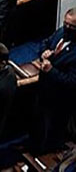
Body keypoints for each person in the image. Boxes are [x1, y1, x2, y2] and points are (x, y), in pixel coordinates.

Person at [30, 8, 76, 153]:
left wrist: (51, 70)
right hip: (44, 89)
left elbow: (72, 81)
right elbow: (46, 42)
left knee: (51, 131)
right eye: (66, 23)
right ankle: (33, 147)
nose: (67, 28)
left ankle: (43, 156)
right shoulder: (62, 32)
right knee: (37, 123)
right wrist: (44, 51)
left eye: (71, 26)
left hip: (59, 99)